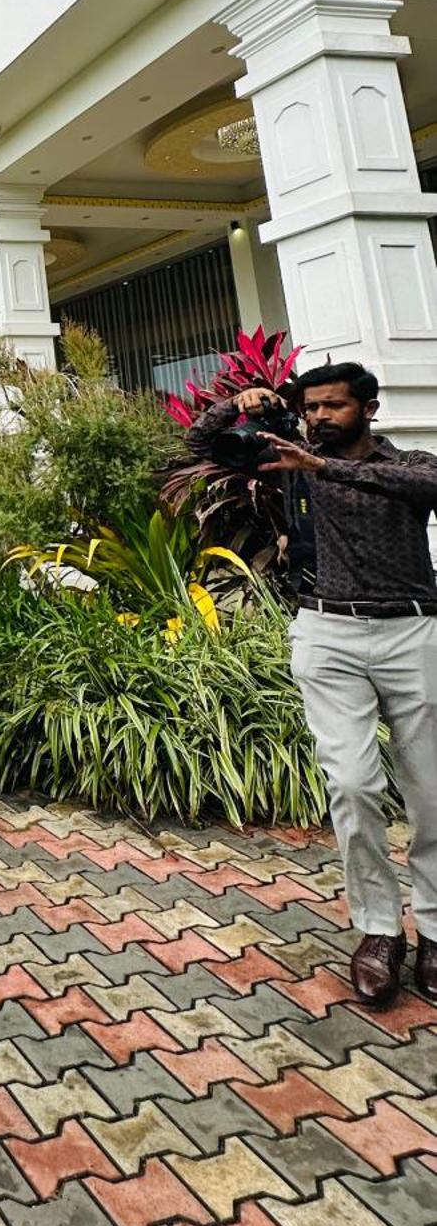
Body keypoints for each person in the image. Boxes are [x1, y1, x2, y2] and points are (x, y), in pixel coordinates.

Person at [188, 362, 437, 1007]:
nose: (321, 417)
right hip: (327, 633)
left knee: (431, 792)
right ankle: (380, 930)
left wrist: (324, 470)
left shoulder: (408, 460)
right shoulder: (287, 460)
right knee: (352, 785)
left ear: (369, 409)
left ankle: (434, 928)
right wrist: (233, 407)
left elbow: (424, 489)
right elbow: (197, 447)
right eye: (313, 407)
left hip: (414, 632)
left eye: (334, 406)